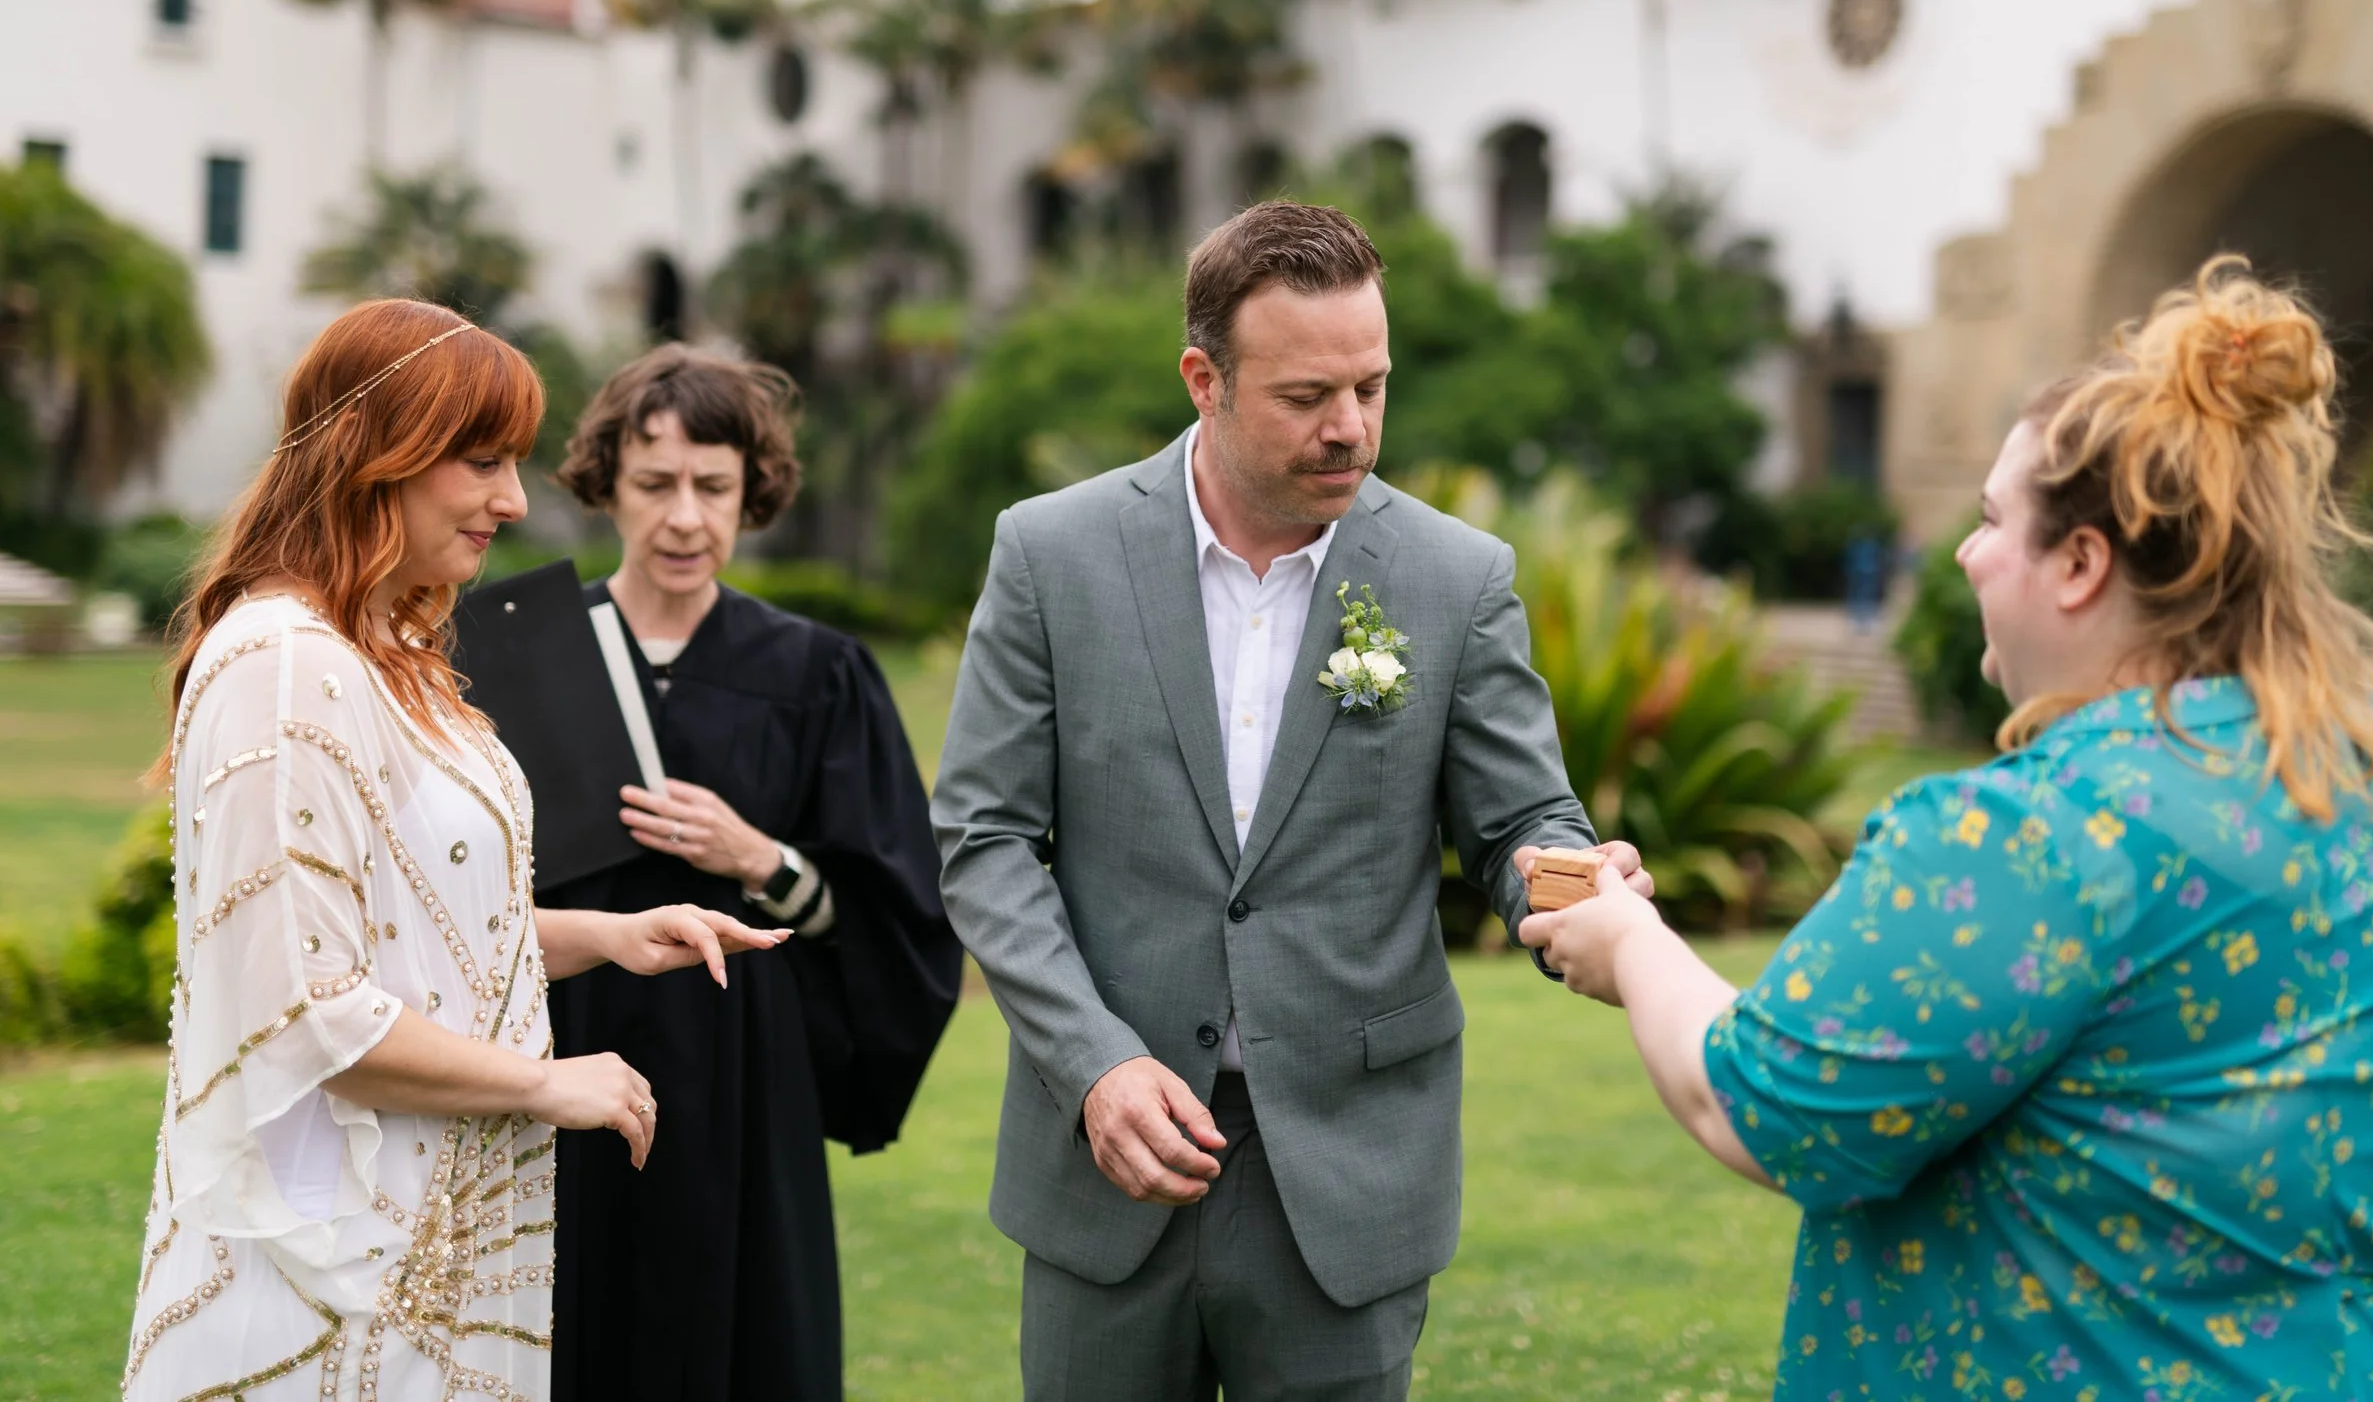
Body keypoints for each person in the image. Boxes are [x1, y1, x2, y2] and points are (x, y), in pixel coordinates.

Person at [1525, 256, 2373, 1399]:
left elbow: (1764, 1105)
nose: (1963, 552)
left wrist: (1627, 942)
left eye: (1992, 519)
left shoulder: (2036, 834)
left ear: (2080, 562)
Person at [933, 200, 1648, 1402]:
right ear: (1203, 379)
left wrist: (1577, 886)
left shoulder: (1456, 577)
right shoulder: (1050, 554)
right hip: (1108, 1155)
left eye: (1371, 386)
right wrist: (1094, 1064)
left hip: (1348, 1175)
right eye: (1307, 394)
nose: (1350, 426)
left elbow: (1521, 822)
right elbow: (985, 838)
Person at [126, 298, 784, 1401]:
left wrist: (609, 935)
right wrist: (543, 1080)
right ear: (372, 452)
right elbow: (301, 1009)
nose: (514, 500)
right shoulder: (282, 663)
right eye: (482, 460)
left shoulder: (387, 650)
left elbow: (412, 925)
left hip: (439, 1238)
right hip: (328, 1262)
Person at [540, 344, 960, 1402]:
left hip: (745, 1073)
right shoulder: (538, 656)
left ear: (751, 491)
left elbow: (898, 912)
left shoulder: (817, 673)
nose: (685, 517)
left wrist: (761, 860)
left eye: (714, 486)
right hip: (561, 1054)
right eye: (655, 483)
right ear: (607, 484)